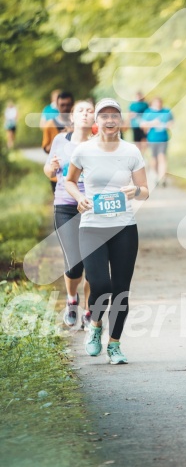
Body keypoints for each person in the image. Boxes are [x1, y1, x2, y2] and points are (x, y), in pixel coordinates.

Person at [65, 98, 149, 364]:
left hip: (124, 227)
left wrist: (135, 191)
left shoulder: (131, 151)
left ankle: (114, 344)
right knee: (100, 284)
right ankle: (95, 325)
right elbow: (69, 180)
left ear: (120, 121)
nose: (110, 121)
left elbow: (144, 191)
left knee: (121, 289)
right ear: (97, 121)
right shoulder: (83, 150)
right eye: (104, 116)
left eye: (114, 116)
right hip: (92, 226)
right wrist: (78, 197)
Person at [44, 100, 95, 329]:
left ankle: (89, 310)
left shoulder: (99, 143)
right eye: (80, 111)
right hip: (65, 206)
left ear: (95, 118)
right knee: (75, 264)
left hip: (93, 208)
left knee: (93, 263)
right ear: (72, 117)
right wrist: (52, 166)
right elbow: (48, 171)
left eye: (90, 111)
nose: (85, 114)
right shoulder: (60, 141)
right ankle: (71, 299)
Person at [42, 91, 74, 192]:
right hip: (57, 175)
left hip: (77, 175)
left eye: (68, 105)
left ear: (73, 105)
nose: (65, 108)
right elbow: (46, 149)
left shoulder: (80, 124)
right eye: (62, 105)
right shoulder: (50, 125)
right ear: (57, 105)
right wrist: (59, 139)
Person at [141, 97, 173, 185]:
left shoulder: (167, 112)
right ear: (153, 103)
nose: (158, 104)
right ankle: (155, 175)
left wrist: (166, 125)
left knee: (162, 157)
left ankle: (162, 178)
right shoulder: (148, 112)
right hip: (152, 139)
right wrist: (153, 123)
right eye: (156, 103)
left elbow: (171, 123)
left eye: (160, 103)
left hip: (163, 139)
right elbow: (142, 125)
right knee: (154, 158)